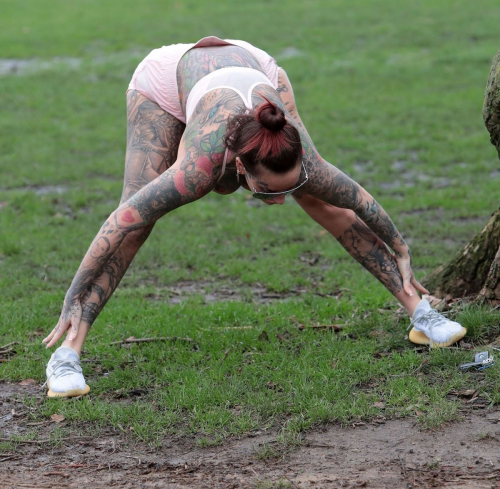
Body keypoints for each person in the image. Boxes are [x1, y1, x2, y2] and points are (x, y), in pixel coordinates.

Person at [42, 37, 466, 397]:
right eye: (270, 191)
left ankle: (421, 315)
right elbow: (120, 222)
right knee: (139, 219)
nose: (280, 201)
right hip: (166, 83)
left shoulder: (306, 161)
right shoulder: (199, 169)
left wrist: (402, 248)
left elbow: (358, 202)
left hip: (254, 65)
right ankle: (67, 356)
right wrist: (73, 294)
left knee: (322, 201)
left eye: (289, 186)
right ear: (242, 168)